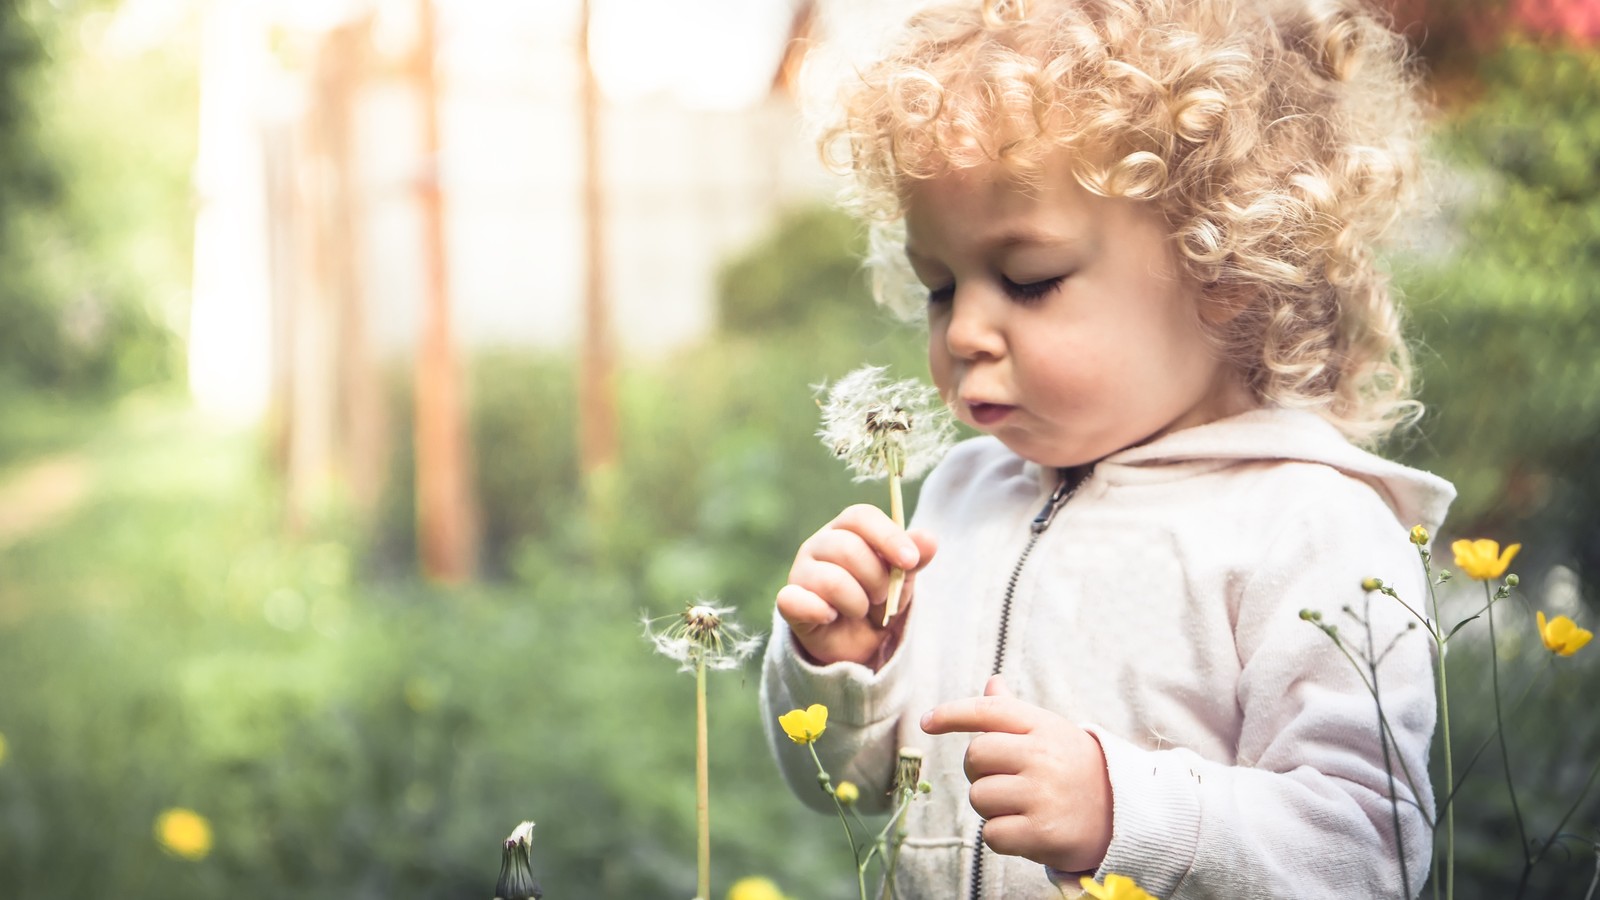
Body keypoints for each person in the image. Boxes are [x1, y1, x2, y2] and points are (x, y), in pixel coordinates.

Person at [759, 0, 1456, 897]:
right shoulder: (960, 496)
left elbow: (1367, 853)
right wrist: (847, 668)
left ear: (1226, 272)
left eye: (1028, 279)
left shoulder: (1309, 527)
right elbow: (847, 787)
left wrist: (1124, 812)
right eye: (940, 286)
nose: (966, 328)